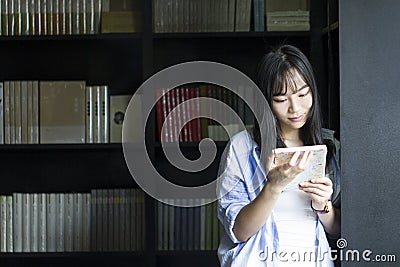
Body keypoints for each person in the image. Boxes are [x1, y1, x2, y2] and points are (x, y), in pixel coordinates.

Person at [217, 44, 341, 267]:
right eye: (281, 100)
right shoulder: (243, 148)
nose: (295, 108)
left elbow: (339, 229)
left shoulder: (329, 146)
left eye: (303, 94)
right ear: (266, 101)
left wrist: (323, 205)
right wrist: (273, 187)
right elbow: (239, 231)